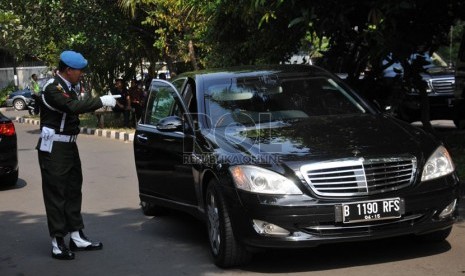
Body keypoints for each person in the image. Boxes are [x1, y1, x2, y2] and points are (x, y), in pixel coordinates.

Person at [37, 50, 117, 260]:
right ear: (68, 70)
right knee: (56, 194)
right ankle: (57, 241)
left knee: (73, 190)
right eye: (79, 71)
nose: (81, 74)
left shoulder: (68, 86)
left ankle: (76, 235)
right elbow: (72, 107)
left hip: (69, 146)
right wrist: (101, 100)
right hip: (54, 148)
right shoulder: (52, 88)